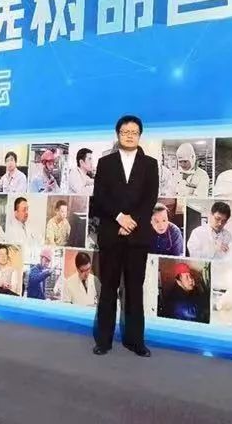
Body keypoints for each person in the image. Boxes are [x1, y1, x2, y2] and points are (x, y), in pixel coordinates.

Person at [92, 115, 159, 358]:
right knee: (108, 288)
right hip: (111, 233)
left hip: (137, 236)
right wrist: (120, 218)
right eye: (125, 131)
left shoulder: (150, 164)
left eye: (134, 132)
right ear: (118, 134)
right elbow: (100, 197)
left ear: (140, 135)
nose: (130, 135)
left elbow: (150, 198)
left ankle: (135, 341)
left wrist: (132, 222)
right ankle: (103, 340)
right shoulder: (105, 163)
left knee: (134, 290)